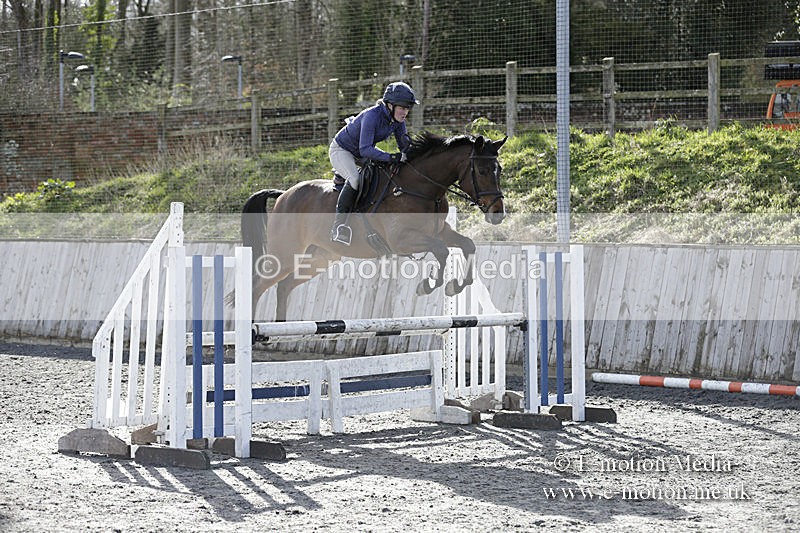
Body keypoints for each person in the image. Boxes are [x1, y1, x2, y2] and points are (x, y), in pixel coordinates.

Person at [329, 81, 420, 245]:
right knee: (355, 179)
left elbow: (404, 146)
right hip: (342, 150)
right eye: (402, 107)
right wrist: (392, 157)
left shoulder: (398, 121)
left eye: (408, 108)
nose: (405, 112)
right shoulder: (372, 115)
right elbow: (365, 149)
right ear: (390, 105)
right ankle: (339, 227)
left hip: (362, 152)